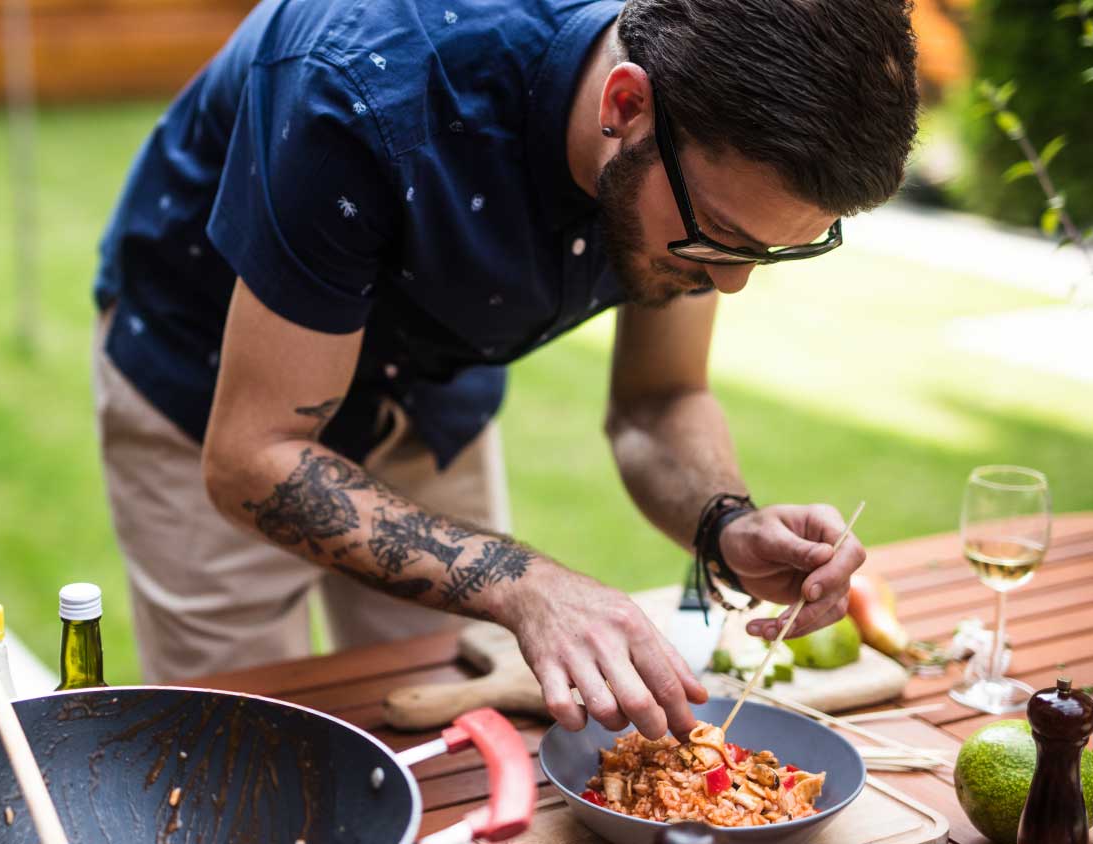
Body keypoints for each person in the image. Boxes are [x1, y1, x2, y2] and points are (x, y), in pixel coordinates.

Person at [91, 0, 916, 740]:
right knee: (244, 752)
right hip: (214, 382)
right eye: (722, 238)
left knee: (442, 724)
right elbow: (251, 459)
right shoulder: (359, 84)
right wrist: (523, 582)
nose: (731, 280)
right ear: (624, 106)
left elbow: (661, 400)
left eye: (770, 252)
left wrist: (724, 522)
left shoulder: (697, 132)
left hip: (428, 387)